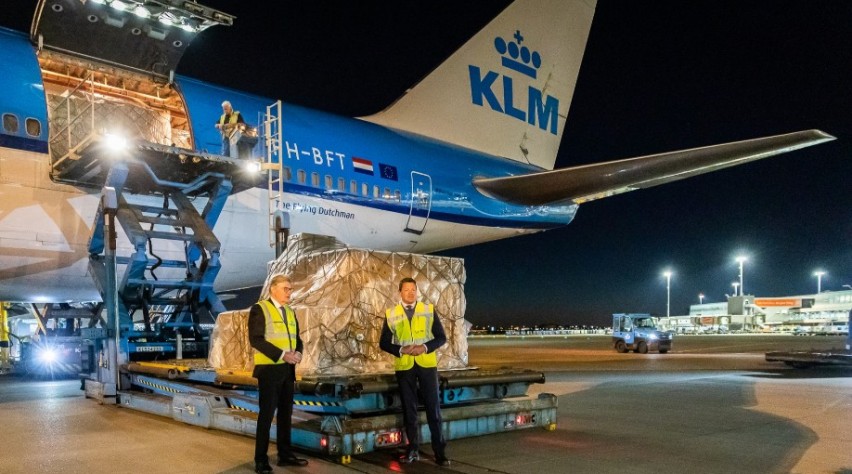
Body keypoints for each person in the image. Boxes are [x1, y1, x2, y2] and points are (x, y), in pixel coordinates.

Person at [379, 277, 450, 466]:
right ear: (400, 292)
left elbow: (441, 338)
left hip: (426, 364)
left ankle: (440, 452)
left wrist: (425, 347)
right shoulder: (391, 313)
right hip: (405, 366)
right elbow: (383, 343)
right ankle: (412, 450)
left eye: (413, 290)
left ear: (417, 291)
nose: (410, 293)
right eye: (406, 290)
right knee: (409, 411)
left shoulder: (428, 310)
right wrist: (400, 349)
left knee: (433, 409)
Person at [248, 274, 308, 473]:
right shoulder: (260, 309)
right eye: (286, 288)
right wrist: (283, 355)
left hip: (288, 370)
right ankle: (261, 460)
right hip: (270, 371)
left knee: (285, 415)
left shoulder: (290, 312)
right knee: (266, 416)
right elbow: (256, 339)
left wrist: (298, 352)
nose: (289, 292)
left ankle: (285, 455)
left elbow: (297, 338)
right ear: (273, 289)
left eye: (290, 289)